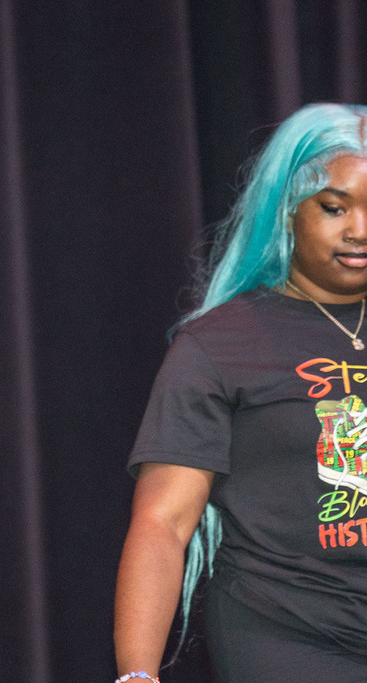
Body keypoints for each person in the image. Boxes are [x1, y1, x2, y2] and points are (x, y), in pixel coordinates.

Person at [115, 103, 367, 682]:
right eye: (334, 208)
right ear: (286, 209)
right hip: (288, 635)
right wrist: (137, 675)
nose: (360, 230)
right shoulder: (220, 345)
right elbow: (163, 523)